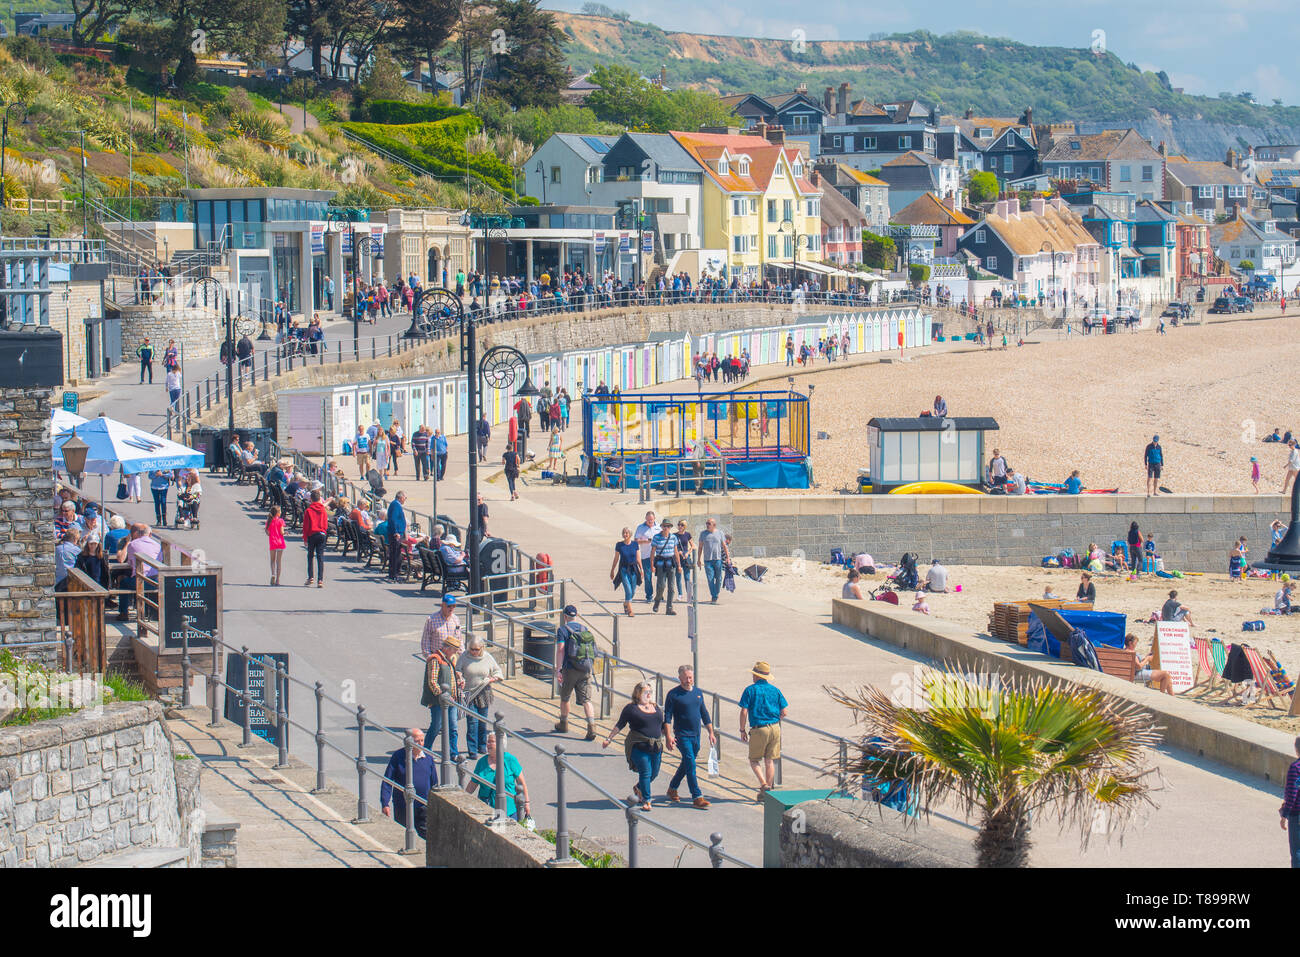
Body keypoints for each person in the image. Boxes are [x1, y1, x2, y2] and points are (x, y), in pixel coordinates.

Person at [602, 681, 667, 811]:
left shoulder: (655, 707)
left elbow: (662, 725)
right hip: (639, 746)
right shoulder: (631, 708)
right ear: (638, 693)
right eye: (645, 692)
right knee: (646, 772)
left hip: (656, 746)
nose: (648, 695)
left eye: (650, 692)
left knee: (654, 773)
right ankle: (647, 800)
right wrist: (609, 738)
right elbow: (620, 724)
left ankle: (639, 788)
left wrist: (670, 737)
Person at [663, 666, 715, 809]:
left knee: (687, 763)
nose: (688, 680)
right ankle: (697, 797)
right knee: (691, 764)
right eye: (685, 677)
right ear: (679, 677)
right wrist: (668, 736)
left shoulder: (698, 693)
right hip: (682, 735)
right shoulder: (673, 695)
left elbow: (704, 713)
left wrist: (711, 732)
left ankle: (672, 788)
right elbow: (667, 717)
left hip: (696, 735)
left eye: (690, 677)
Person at [739, 661, 788, 801]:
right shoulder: (775, 690)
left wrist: (742, 730)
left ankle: (764, 784)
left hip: (759, 728)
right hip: (775, 727)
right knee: (769, 760)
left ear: (756, 676)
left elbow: (744, 711)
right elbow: (784, 712)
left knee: (754, 760)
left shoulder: (750, 690)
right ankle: (769, 791)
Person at [379, 728, 436, 838]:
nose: (420, 744)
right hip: (402, 805)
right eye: (417, 741)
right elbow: (387, 780)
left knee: (428, 836)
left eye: (422, 741)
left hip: (423, 805)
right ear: (408, 742)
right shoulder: (398, 756)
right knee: (402, 836)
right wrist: (385, 803)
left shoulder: (428, 758)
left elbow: (434, 783)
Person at [553, 605, 598, 741]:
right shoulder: (585, 629)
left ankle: (564, 723)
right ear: (576, 616)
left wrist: (558, 669)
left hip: (569, 669)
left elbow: (561, 649)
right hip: (585, 668)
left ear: (565, 617)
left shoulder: (562, 630)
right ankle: (591, 727)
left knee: (565, 697)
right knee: (586, 700)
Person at [421, 623, 463, 761]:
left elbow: (449, 676)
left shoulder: (449, 660)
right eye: (455, 650)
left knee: (453, 727)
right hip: (439, 701)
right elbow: (432, 681)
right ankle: (426, 751)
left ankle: (453, 753)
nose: (456, 653)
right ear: (448, 648)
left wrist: (458, 679)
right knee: (436, 726)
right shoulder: (436, 659)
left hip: (451, 700)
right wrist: (442, 695)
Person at [468, 732, 530, 823]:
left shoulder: (510, 760)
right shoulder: (481, 762)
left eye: (491, 742)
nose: (488, 744)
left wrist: (527, 803)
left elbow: (522, 783)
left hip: (509, 811)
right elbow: (472, 785)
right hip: (486, 811)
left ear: (501, 743)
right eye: (487, 742)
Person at [457, 636, 503, 759]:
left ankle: (482, 746)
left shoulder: (487, 657)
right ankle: (472, 750)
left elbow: (498, 671)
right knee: (472, 723)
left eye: (476, 649)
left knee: (482, 722)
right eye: (471, 649)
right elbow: (458, 670)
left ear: (482, 648)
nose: (473, 652)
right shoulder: (464, 656)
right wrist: (460, 677)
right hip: (469, 693)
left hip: (483, 693)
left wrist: (492, 679)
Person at [650, 518, 681, 614]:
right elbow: (653, 552)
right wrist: (652, 565)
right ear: (662, 527)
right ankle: (657, 601)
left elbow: (676, 552)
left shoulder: (673, 538)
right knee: (661, 586)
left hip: (671, 563)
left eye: (668, 526)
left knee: (671, 587)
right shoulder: (656, 537)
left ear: (670, 527)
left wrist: (679, 565)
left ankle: (669, 608)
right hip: (660, 564)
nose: (666, 528)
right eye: (664, 526)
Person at [611, 526, 642, 617]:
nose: (625, 534)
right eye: (624, 533)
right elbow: (616, 558)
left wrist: (642, 569)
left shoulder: (635, 544)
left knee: (633, 591)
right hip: (623, 570)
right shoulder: (619, 545)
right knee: (628, 590)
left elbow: (638, 558)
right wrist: (612, 570)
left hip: (633, 569)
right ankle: (630, 610)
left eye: (627, 533)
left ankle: (625, 603)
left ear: (630, 534)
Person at [697, 517, 728, 604]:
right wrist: (698, 559)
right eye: (706, 523)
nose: (707, 525)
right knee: (710, 579)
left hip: (718, 559)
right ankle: (714, 596)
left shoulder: (720, 533)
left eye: (709, 523)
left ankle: (716, 593)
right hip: (707, 560)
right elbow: (700, 547)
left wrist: (728, 558)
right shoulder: (703, 534)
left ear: (714, 525)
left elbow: (724, 546)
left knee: (719, 578)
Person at [302, 490, 329, 587]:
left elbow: (306, 526)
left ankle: (310, 577)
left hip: (312, 534)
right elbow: (325, 523)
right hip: (321, 533)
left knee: (310, 556)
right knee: (320, 557)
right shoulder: (323, 510)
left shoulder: (309, 510)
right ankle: (320, 580)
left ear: (311, 499)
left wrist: (305, 538)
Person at [1279, 737, 1300, 867]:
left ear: (1297, 750)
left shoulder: (1296, 768)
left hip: (1297, 816)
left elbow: (1292, 794)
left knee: (1297, 852)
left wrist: (1284, 814)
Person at [634, 511, 657, 603]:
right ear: (645, 519)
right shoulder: (640, 528)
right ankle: (649, 595)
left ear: (654, 519)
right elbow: (635, 541)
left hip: (658, 555)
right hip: (646, 556)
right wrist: (645, 541)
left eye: (651, 520)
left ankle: (660, 594)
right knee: (648, 577)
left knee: (661, 576)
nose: (650, 521)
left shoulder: (659, 527)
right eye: (648, 520)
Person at [386, 490, 408, 582]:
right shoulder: (396, 505)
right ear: (400, 497)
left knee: (395, 553)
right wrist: (396, 532)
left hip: (396, 532)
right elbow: (393, 519)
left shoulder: (395, 504)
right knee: (396, 554)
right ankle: (394, 574)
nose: (405, 500)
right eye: (405, 498)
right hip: (396, 534)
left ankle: (393, 573)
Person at [265, 504, 286, 586]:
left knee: (272, 560)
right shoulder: (281, 521)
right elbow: (282, 532)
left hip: (273, 542)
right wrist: (285, 532)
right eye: (280, 511)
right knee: (279, 561)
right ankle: (278, 579)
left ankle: (273, 574)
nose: (281, 512)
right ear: (277, 513)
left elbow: (268, 533)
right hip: (280, 543)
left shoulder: (269, 521)